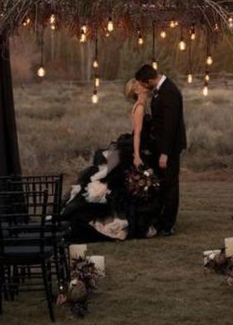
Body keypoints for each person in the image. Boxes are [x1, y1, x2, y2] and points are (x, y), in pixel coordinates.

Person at [60, 79, 160, 242]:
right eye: (142, 85)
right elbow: (137, 134)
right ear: (137, 90)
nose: (145, 86)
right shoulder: (140, 107)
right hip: (136, 147)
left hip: (139, 145)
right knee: (119, 183)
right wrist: (136, 154)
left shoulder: (142, 105)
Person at [135, 64, 187, 236]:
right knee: (165, 184)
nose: (143, 87)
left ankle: (168, 224)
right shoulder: (160, 89)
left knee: (171, 185)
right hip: (163, 146)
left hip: (170, 148)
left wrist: (165, 152)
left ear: (150, 80)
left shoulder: (169, 91)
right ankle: (163, 220)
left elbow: (170, 125)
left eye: (143, 83)